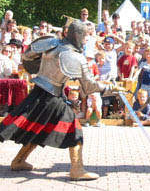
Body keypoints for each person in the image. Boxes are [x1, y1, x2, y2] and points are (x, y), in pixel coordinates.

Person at [0, 20, 124, 181]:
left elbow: (27, 56)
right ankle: (77, 169)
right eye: (85, 35)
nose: (86, 39)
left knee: (38, 129)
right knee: (74, 129)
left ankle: (18, 160)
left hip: (39, 92)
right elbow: (89, 87)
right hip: (51, 97)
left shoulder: (49, 43)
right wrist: (110, 89)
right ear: (78, 35)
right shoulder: (76, 57)